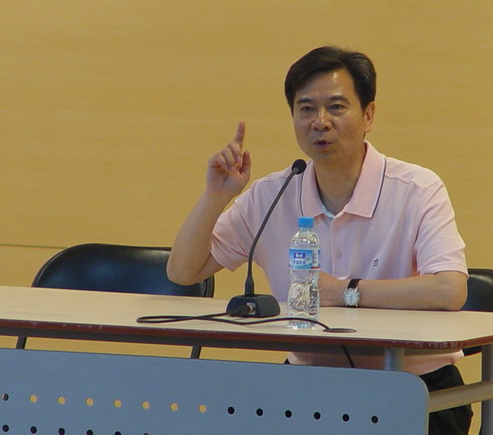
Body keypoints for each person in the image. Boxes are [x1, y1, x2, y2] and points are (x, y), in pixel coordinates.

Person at [168, 46, 472, 434]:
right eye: (306, 109)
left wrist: (345, 292)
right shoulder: (273, 194)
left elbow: (450, 290)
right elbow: (184, 271)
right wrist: (215, 196)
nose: (320, 122)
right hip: (308, 388)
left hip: (414, 389)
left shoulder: (417, 189)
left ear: (369, 115)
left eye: (336, 107)